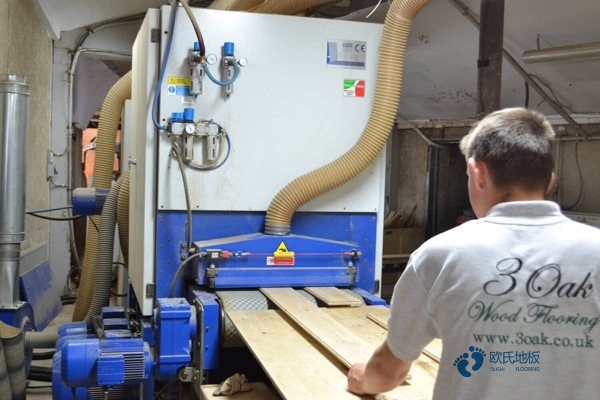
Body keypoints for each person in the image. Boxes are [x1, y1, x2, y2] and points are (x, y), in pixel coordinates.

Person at [348, 107, 600, 399]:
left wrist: (361, 379)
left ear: (478, 173)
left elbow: (388, 373)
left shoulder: (440, 255)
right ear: (550, 180)